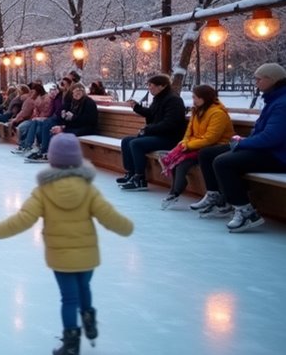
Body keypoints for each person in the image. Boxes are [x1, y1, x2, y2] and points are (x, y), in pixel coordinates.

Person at [0, 133, 134, 355]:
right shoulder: (88, 190)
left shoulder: (44, 191)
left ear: (52, 160)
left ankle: (71, 346)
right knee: (84, 287)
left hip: (61, 258)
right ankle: (88, 320)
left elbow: (24, 219)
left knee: (69, 299)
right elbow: (108, 216)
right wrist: (127, 228)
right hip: (87, 256)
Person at [194, 63, 286, 231]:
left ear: (271, 80)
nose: (255, 82)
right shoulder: (273, 99)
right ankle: (218, 198)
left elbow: (272, 137)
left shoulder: (282, 103)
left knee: (224, 162)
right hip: (267, 149)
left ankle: (246, 212)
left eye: (258, 79)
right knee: (207, 154)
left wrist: (242, 143)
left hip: (278, 155)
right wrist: (244, 141)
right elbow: (263, 132)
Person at [156, 85, 234, 210]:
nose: (193, 100)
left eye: (195, 97)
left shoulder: (217, 113)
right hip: (198, 146)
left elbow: (211, 138)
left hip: (216, 147)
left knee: (183, 162)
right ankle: (174, 193)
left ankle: (216, 197)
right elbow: (189, 131)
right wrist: (184, 143)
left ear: (204, 98)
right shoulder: (197, 111)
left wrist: (188, 145)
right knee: (178, 161)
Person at [116, 74, 187, 191]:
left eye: (151, 85)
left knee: (136, 144)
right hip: (158, 135)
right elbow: (152, 114)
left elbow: (170, 123)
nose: (149, 88)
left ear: (162, 86)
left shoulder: (174, 100)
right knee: (126, 141)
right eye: (148, 85)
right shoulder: (159, 98)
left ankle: (140, 178)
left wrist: (147, 129)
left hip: (170, 138)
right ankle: (131, 173)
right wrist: (136, 107)